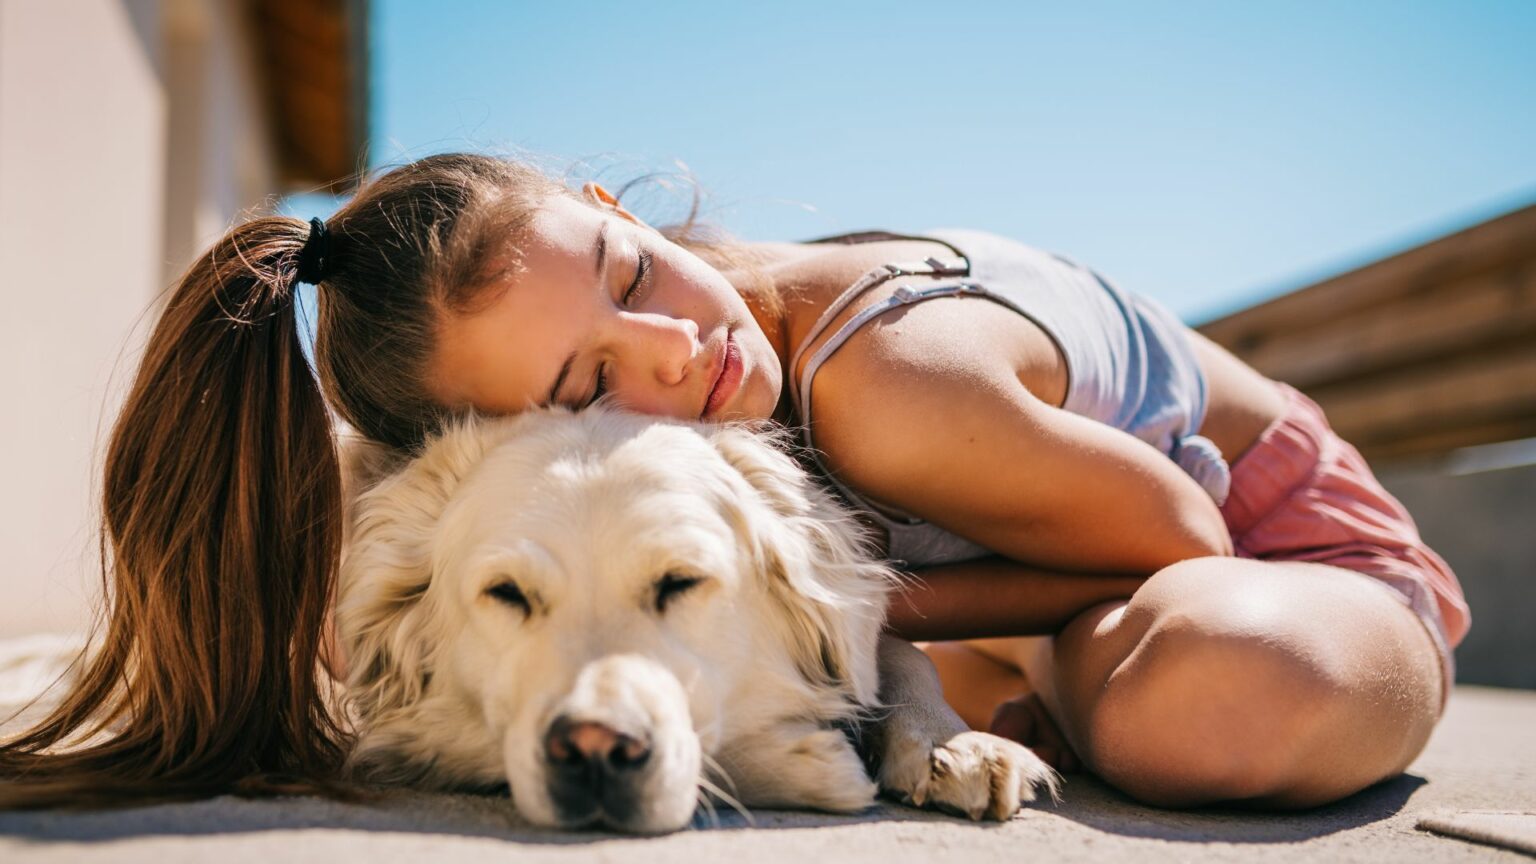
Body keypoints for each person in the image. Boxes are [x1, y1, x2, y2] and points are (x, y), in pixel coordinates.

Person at [1, 153, 1468, 811]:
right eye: (582, 387)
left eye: (631, 273)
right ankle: (1026, 690)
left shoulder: (888, 385)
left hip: (1289, 561)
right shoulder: (660, 418)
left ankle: (1037, 694)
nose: (670, 348)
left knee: (1214, 694)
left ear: (607, 207)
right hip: (1075, 577)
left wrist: (874, 610)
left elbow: (1186, 534)